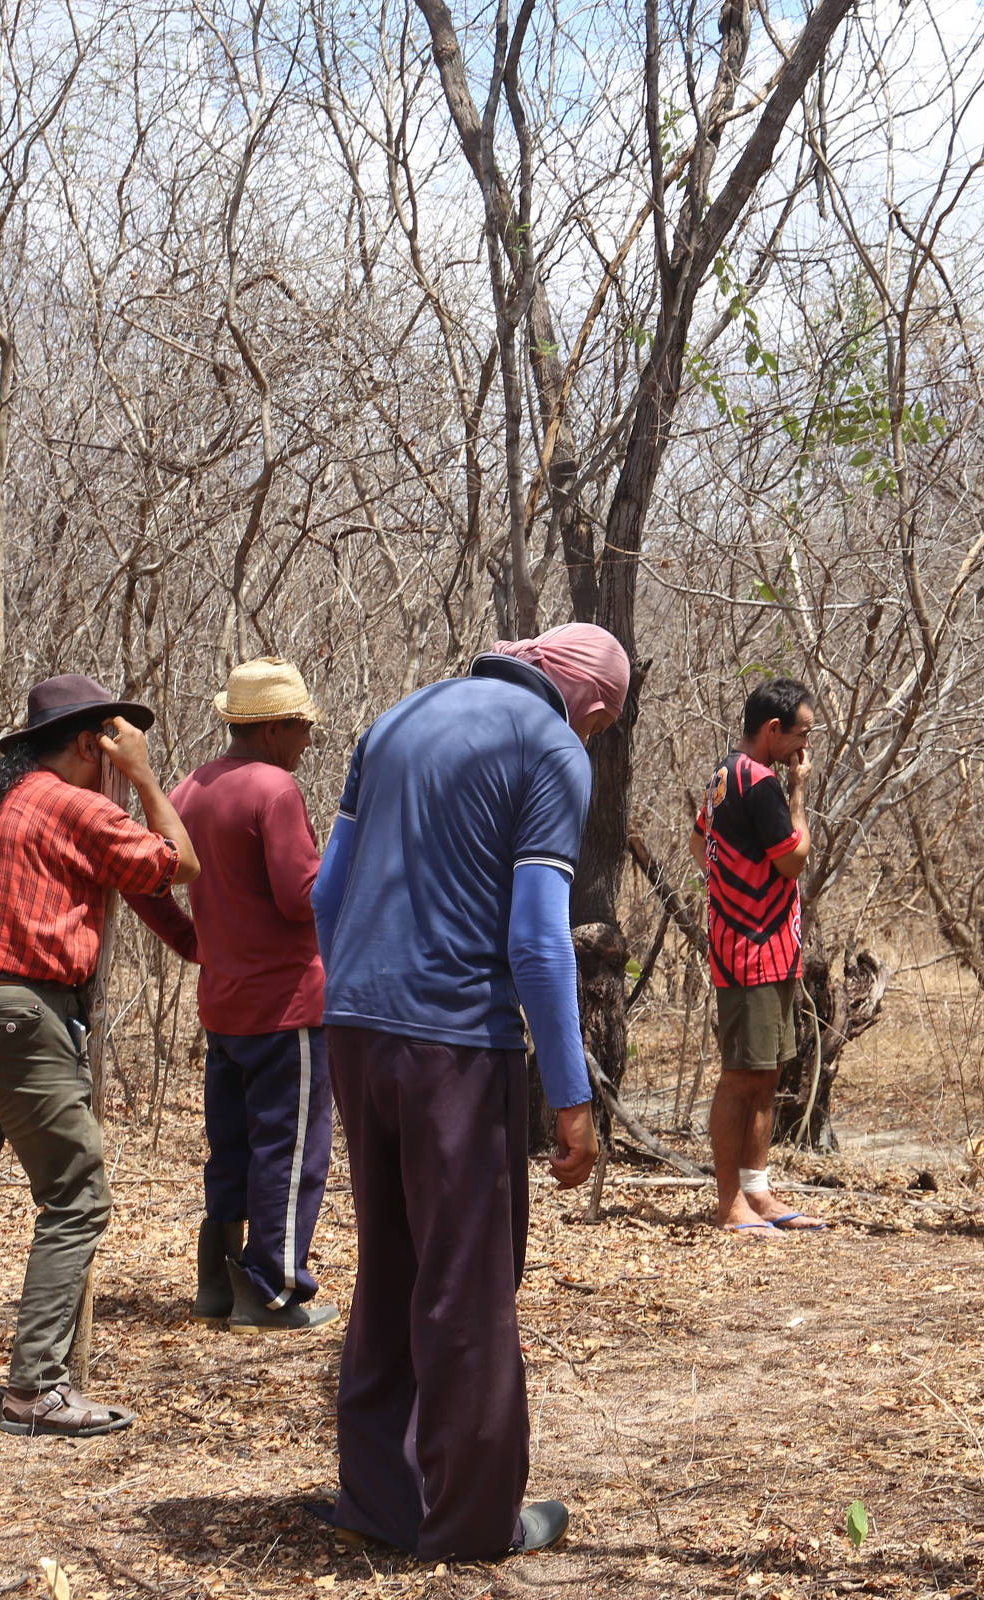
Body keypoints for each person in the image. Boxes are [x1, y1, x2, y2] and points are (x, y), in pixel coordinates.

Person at [309, 622, 626, 1561]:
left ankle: (380, 1497)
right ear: (595, 705)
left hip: (357, 1030)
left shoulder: (397, 719)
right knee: (468, 1281)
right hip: (452, 1042)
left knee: (391, 1263)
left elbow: (328, 894)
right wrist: (570, 1095)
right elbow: (536, 937)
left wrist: (361, 995)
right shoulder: (551, 746)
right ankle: (473, 1520)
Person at [0, 674, 200, 1436]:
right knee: (77, 1197)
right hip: (17, 1014)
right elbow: (180, 863)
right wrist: (143, 774)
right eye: (110, 744)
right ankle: (36, 1387)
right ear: (86, 744)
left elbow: (129, 887)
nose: (116, 759)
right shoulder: (75, 801)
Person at [126, 658, 338, 1333]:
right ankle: (271, 1290)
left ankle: (216, 1283)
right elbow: (300, 897)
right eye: (303, 730)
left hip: (225, 1005)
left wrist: (193, 942)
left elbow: (140, 881)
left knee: (236, 1147)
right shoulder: (273, 790)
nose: (307, 742)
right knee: (292, 1150)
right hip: (288, 1006)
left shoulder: (189, 789)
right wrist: (353, 867)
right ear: (275, 729)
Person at [689, 677, 822, 1237]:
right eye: (800, 735)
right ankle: (729, 1205)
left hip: (769, 948)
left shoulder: (724, 774)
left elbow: (699, 841)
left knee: (766, 1073)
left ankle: (756, 1190)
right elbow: (794, 860)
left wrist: (728, 889)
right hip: (751, 952)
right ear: (772, 731)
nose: (804, 749)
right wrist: (799, 795)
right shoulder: (762, 783)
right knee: (741, 1077)